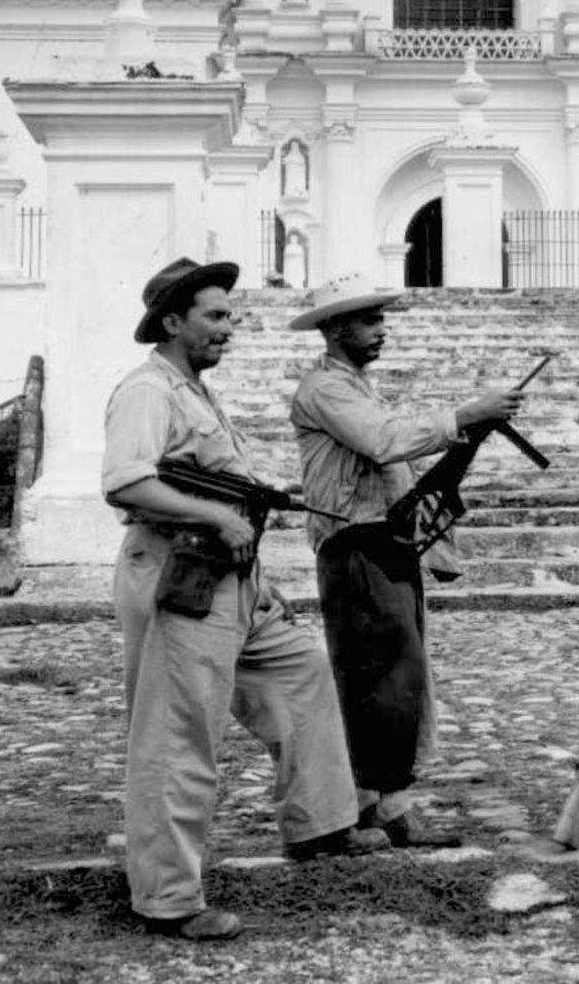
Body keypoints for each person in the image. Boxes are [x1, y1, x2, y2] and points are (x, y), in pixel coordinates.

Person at [103, 257, 381, 945]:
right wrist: (216, 514)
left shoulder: (194, 389)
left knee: (300, 669)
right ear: (173, 321)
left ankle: (320, 824)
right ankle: (167, 897)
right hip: (179, 571)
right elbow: (125, 480)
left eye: (229, 314)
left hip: (230, 573)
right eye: (215, 316)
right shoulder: (147, 390)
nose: (229, 327)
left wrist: (246, 539)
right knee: (177, 731)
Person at [288, 275, 526, 847]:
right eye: (370, 321)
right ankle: (387, 811)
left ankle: (374, 804)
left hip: (385, 541)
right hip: (356, 543)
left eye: (380, 320)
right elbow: (382, 441)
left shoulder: (356, 386)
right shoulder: (326, 389)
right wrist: (465, 415)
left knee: (393, 674)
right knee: (383, 676)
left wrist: (465, 435)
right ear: (336, 328)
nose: (381, 330)